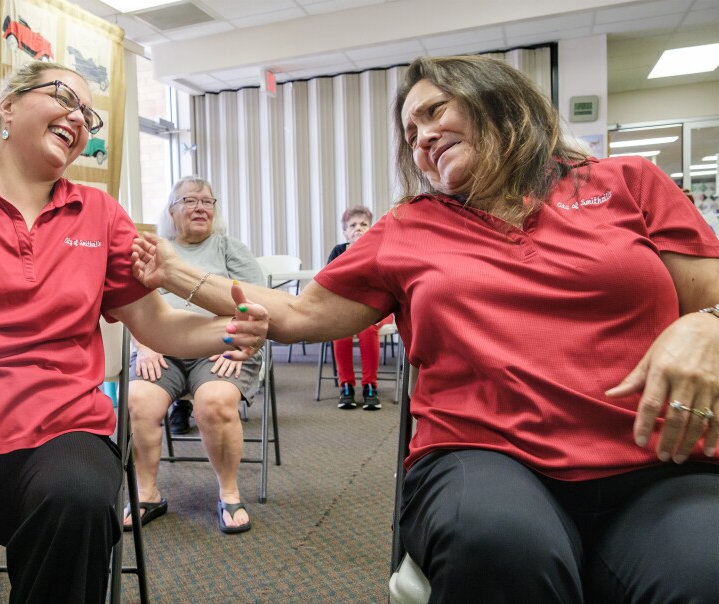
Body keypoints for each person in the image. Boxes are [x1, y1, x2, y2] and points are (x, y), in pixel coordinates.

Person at [131, 55, 719, 603]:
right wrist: (175, 272)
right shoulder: (410, 226)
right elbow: (297, 314)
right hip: (486, 454)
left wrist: (707, 324)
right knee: (499, 546)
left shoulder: (627, 182)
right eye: (410, 134)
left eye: (435, 112)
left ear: (501, 102)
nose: (422, 139)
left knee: (702, 568)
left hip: (656, 458)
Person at [0, 61, 267, 604]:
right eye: (63, 95)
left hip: (55, 437)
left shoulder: (100, 214)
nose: (78, 117)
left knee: (80, 499)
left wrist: (227, 333)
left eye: (87, 113)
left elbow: (154, 323)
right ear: (8, 106)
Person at [123, 176, 265, 534]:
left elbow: (259, 303)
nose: (200, 207)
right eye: (189, 200)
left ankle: (229, 493)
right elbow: (131, 304)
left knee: (214, 402)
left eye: (207, 201)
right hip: (162, 349)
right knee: (138, 399)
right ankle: (147, 493)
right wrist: (145, 344)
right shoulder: (155, 249)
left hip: (221, 349)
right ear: (172, 212)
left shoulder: (229, 248)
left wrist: (236, 343)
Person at [326, 205, 390, 410]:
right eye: (352, 225)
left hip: (378, 308)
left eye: (364, 224)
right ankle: (346, 386)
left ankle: (370, 387)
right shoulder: (338, 251)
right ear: (345, 232)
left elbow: (386, 286)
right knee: (340, 330)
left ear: (372, 229)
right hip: (345, 310)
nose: (358, 228)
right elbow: (328, 284)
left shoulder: (380, 250)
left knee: (367, 328)